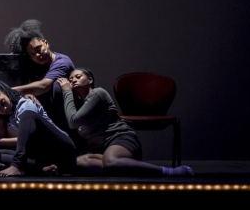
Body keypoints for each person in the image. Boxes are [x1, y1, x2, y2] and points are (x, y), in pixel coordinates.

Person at [59, 67, 194, 177]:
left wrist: (66, 91)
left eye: (78, 77)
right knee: (78, 163)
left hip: (121, 140)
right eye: (70, 80)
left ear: (90, 80)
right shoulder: (80, 107)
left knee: (110, 161)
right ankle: (126, 167)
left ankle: (167, 171)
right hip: (103, 151)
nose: (73, 81)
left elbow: (73, 121)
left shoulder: (98, 93)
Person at [4, 19, 84, 153]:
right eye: (31, 54)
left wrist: (8, 90)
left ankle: (75, 143)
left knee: (57, 87)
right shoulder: (33, 65)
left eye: (38, 49)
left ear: (45, 42)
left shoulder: (62, 61)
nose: (37, 55)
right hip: (46, 112)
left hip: (68, 113)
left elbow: (43, 86)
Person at [0, 78, 77, 176]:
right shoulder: (9, 116)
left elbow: (25, 140)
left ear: (5, 92)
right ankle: (42, 169)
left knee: (28, 114)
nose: (3, 108)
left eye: (3, 102)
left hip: (62, 148)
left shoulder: (26, 105)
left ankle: (16, 166)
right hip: (45, 155)